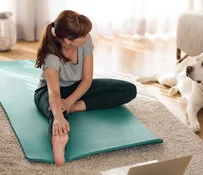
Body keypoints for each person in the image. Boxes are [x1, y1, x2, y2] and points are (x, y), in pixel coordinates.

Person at [34, 10, 137, 166]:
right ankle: (59, 140)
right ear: (68, 40)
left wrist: (69, 103)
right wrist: (58, 116)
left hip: (78, 86)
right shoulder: (51, 55)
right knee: (55, 114)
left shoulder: (85, 41)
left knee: (129, 89)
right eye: (83, 35)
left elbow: (87, 80)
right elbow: (53, 92)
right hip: (47, 92)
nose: (88, 36)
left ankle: (76, 108)